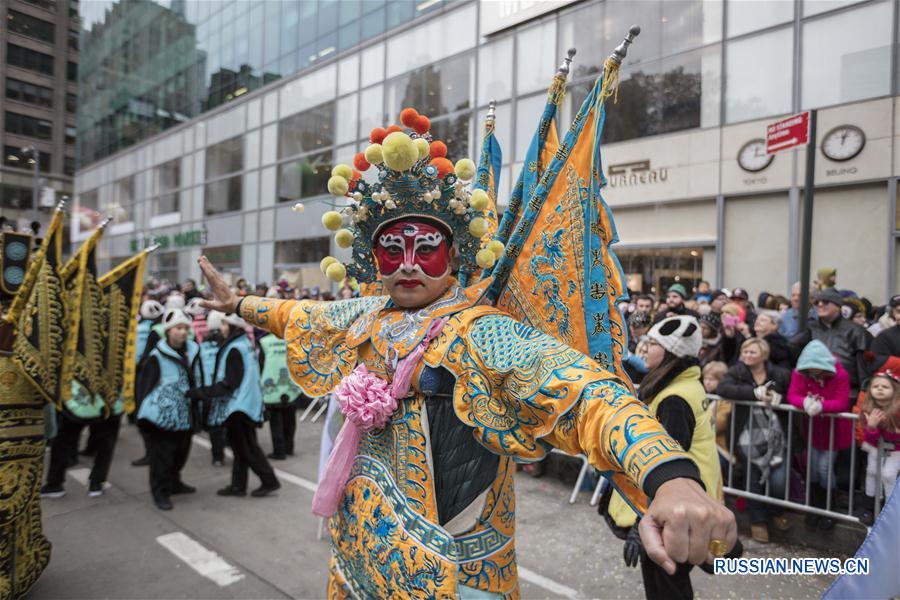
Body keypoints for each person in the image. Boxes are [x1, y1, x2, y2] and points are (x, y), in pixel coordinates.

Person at [196, 105, 737, 598]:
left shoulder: (480, 333)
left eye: (426, 249)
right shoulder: (363, 317)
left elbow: (588, 394)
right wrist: (237, 301)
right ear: (373, 257)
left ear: (454, 255)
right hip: (357, 563)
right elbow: (296, 315)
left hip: (453, 577)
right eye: (392, 248)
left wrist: (672, 478)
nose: (407, 262)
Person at [602, 316, 730, 600]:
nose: (644, 349)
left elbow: (665, 467)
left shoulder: (674, 399)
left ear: (671, 351)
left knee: (668, 586)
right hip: (689, 502)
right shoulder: (685, 385)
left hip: (671, 513)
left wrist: (641, 522)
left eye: (652, 343)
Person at [189, 313, 280, 497]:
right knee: (241, 449)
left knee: (248, 448)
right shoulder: (243, 344)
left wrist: (202, 393)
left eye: (224, 324)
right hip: (246, 405)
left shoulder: (234, 349)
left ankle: (269, 480)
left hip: (239, 408)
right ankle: (238, 486)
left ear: (233, 326)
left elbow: (229, 383)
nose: (221, 328)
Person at [716, 338, 792, 543]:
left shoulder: (780, 374)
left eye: (753, 352)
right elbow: (723, 389)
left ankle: (776, 510)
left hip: (775, 435)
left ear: (764, 355)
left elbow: (792, 395)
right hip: (745, 435)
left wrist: (780, 399)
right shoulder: (737, 372)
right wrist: (752, 394)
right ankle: (757, 521)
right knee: (752, 478)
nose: (748, 356)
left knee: (778, 480)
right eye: (745, 352)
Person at [135, 308, 203, 511]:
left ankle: (175, 483)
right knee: (161, 458)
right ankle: (160, 492)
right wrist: (141, 414)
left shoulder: (193, 350)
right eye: (178, 328)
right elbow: (144, 387)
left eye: (185, 328)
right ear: (168, 330)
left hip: (186, 414)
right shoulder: (157, 356)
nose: (182, 332)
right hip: (161, 418)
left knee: (180, 454)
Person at [787, 340, 852, 531]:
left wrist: (823, 406)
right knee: (813, 467)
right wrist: (804, 402)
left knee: (824, 468)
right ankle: (814, 506)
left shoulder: (840, 375)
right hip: (814, 429)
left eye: (817, 368)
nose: (813, 372)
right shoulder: (800, 373)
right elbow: (792, 395)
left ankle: (828, 508)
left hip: (834, 431)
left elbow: (842, 402)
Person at [41, 380, 124, 499]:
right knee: (106, 442)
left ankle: (55, 483)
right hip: (110, 395)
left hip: (78, 396)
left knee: (64, 439)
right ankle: (96, 482)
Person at [791, 288, 870, 398]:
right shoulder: (811, 329)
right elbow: (791, 349)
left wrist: (864, 392)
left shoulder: (855, 331)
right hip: (816, 390)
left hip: (848, 391)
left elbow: (862, 367)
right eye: (817, 302)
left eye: (826, 302)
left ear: (838, 305)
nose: (820, 304)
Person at [858, 372, 900, 525]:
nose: (880, 389)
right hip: (876, 447)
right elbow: (870, 438)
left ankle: (889, 510)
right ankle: (869, 508)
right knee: (872, 472)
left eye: (885, 386)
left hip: (896, 450)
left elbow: (896, 438)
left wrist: (894, 432)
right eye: (876, 386)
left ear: (894, 390)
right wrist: (871, 426)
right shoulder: (868, 408)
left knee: (888, 475)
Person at [258, 327, 302, 459]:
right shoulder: (292, 339)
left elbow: (261, 364)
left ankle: (279, 451)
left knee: (275, 421)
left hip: (271, 388)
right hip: (291, 386)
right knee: (290, 419)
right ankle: (289, 448)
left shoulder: (264, 342)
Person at [198, 310, 227, 466]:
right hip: (225, 387)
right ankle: (227, 445)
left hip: (210, 389)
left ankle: (217, 456)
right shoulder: (227, 342)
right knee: (227, 421)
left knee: (214, 425)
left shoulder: (203, 345)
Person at [701, 361, 731, 475]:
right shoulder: (703, 395)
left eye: (712, 380)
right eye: (706, 378)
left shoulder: (725, 401)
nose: (707, 382)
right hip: (705, 443)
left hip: (720, 447)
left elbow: (718, 424)